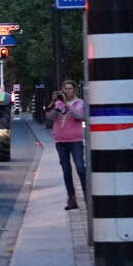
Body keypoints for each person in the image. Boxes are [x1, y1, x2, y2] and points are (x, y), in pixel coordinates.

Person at [45, 80, 87, 210]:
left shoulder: (80, 103)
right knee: (66, 171)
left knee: (80, 168)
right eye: (65, 89)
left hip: (75, 140)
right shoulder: (58, 104)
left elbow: (80, 116)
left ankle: (87, 197)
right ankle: (71, 199)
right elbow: (49, 119)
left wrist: (67, 105)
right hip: (61, 141)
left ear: (74, 90)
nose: (67, 91)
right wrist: (53, 103)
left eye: (70, 89)